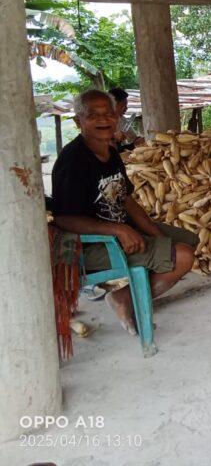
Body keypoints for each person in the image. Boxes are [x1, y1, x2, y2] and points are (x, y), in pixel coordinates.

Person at [52, 89, 199, 335]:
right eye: (93, 115)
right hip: (90, 245)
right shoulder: (73, 161)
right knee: (183, 256)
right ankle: (124, 298)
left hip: (119, 231)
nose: (103, 119)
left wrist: (155, 234)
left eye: (109, 113)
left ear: (116, 116)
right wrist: (118, 230)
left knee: (189, 239)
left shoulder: (110, 153)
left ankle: (129, 293)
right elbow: (64, 218)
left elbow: (127, 201)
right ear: (78, 121)